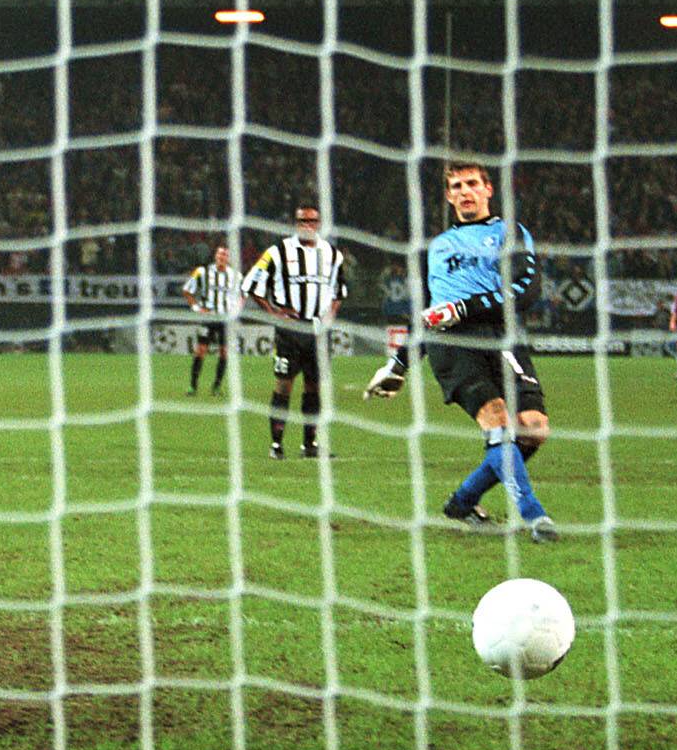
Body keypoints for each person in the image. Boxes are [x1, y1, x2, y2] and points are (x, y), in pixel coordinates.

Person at [365, 161, 557, 543]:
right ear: (449, 196)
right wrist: (399, 363)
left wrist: (465, 307)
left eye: (472, 183)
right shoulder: (436, 248)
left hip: (503, 337)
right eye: (456, 186)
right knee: (498, 423)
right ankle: (535, 516)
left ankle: (463, 501)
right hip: (451, 343)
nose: (465, 191)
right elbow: (429, 311)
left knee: (533, 429)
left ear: (488, 189)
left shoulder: (510, 232)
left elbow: (526, 289)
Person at [241, 201, 347, 459]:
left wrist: (331, 314)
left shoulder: (333, 255)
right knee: (283, 386)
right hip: (289, 331)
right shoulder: (277, 252)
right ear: (296, 224)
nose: (308, 226)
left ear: (319, 224)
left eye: (312, 221)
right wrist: (273, 312)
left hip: (318, 331)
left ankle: (309, 445)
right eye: (302, 221)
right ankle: (276, 445)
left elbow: (339, 291)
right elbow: (251, 284)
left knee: (314, 388)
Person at [181, 244, 239, 396]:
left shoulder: (235, 276)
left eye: (225, 255)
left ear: (228, 258)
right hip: (208, 317)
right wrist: (196, 308)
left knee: (225, 353)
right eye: (220, 254)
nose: (222, 257)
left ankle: (217, 386)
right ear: (215, 256)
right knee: (200, 351)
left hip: (226, 319)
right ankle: (193, 386)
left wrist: (237, 308)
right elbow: (187, 290)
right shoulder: (202, 272)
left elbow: (243, 294)